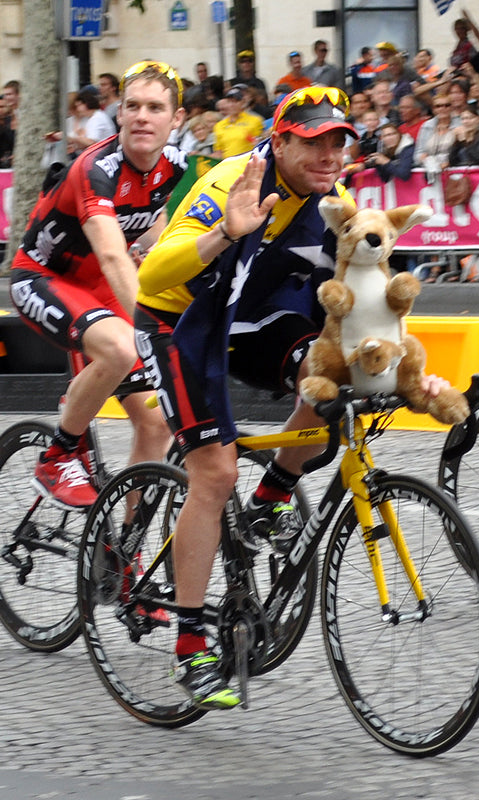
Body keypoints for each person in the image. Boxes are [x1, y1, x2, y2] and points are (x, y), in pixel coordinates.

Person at [133, 87, 361, 709]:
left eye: (338, 141)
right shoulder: (237, 177)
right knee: (214, 471)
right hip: (179, 322)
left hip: (252, 317)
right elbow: (151, 274)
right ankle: (189, 645)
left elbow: (361, 296)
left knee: (333, 373)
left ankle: (273, 495)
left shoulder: (337, 202)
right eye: (314, 141)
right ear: (280, 141)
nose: (330, 153)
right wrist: (224, 234)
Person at [9, 61, 187, 509]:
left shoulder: (174, 166)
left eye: (155, 107)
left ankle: (121, 558)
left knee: (157, 423)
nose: (143, 116)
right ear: (120, 114)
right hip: (45, 278)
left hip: (101, 287)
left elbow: (154, 223)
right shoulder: (97, 168)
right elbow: (110, 253)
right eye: (133, 106)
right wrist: (151, 325)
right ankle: (58, 454)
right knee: (127, 347)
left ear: (176, 119)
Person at [212, 85, 264, 158]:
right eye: (229, 102)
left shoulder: (255, 120)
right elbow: (219, 151)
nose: (232, 105)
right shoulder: (219, 125)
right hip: (228, 164)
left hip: (247, 162)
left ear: (243, 103)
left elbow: (260, 144)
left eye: (236, 101)